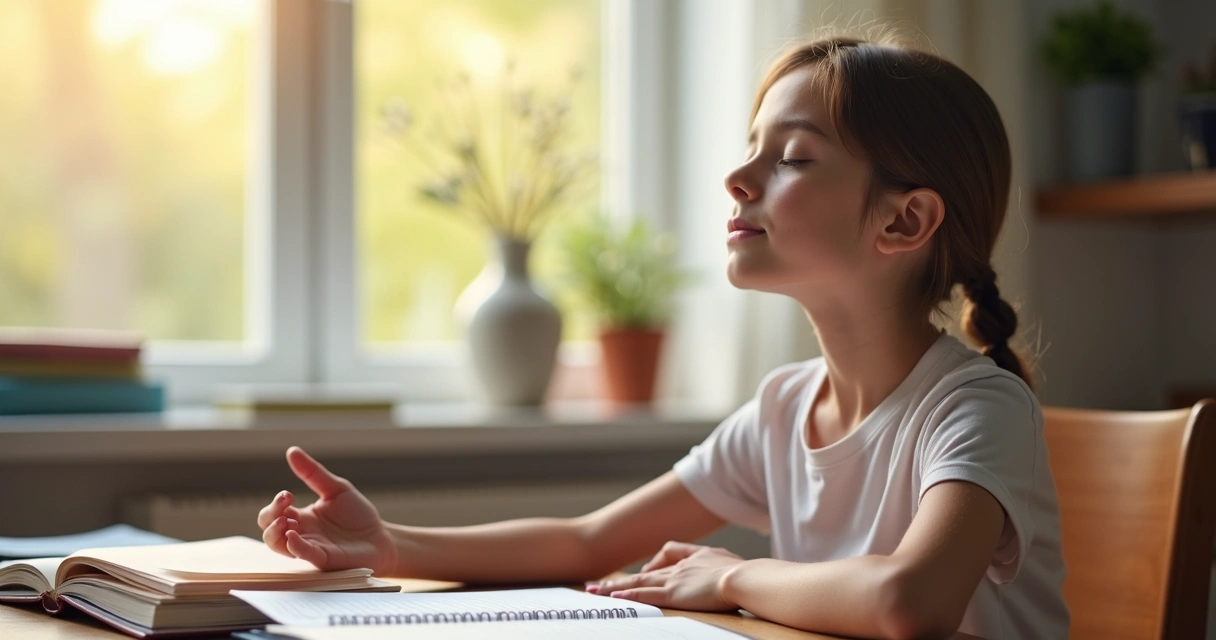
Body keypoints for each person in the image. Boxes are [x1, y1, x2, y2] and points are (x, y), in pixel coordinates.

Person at [257, 35, 1068, 640]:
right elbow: (589, 541)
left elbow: (909, 602)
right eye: (752, 149)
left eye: (791, 158)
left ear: (904, 220)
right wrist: (388, 546)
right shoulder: (786, 408)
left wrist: (734, 575)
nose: (738, 178)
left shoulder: (976, 408)